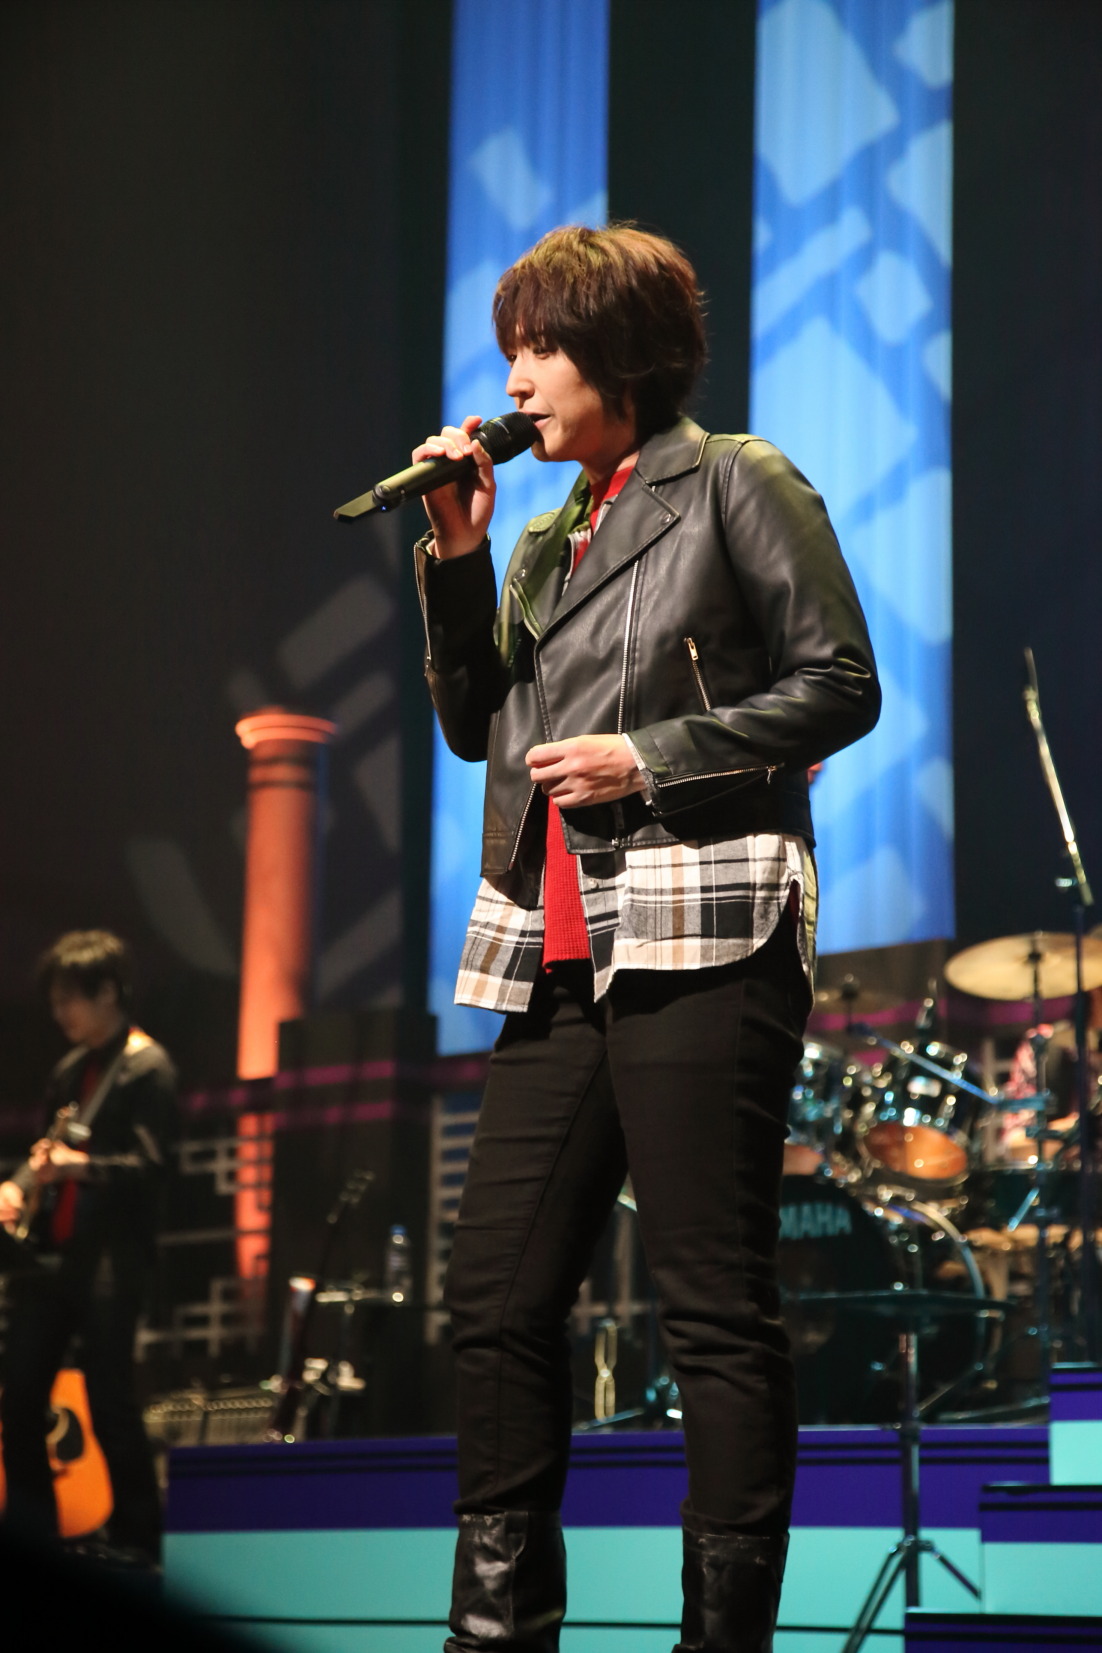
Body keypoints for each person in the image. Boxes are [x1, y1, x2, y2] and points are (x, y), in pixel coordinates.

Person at [414, 225, 880, 1653]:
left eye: (538, 349)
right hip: (557, 947)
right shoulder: (545, 535)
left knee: (709, 1302)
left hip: (705, 920)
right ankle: (497, 1631)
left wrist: (650, 755)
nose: (513, 380)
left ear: (617, 355)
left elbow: (841, 682)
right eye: (509, 352)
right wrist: (457, 552)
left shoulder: (735, 479)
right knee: (495, 1298)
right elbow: (474, 723)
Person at [0, 930, 178, 1564]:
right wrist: (17, 1185)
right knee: (20, 1395)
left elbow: (152, 1167)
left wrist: (78, 1165)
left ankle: (138, 1538)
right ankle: (32, 1536)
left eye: (69, 999)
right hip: (52, 1258)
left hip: (111, 1261)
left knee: (109, 1399)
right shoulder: (70, 1071)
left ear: (108, 992)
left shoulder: (147, 1068)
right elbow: (47, 1155)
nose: (59, 1014)